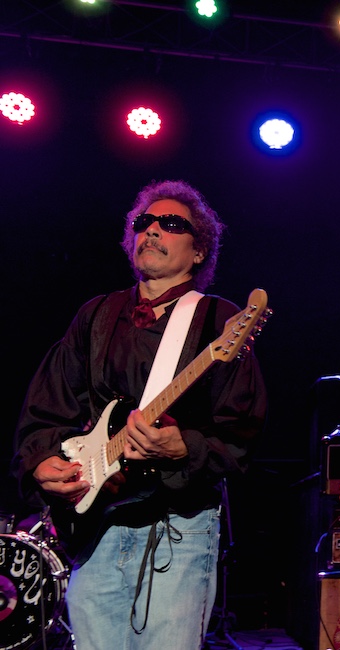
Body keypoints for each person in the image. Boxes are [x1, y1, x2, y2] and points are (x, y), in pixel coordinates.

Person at [11, 179, 268, 650]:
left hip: (179, 528)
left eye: (171, 224)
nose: (152, 230)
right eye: (142, 222)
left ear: (198, 252)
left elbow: (242, 434)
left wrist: (184, 446)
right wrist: (41, 461)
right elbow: (47, 407)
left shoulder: (219, 322)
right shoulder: (95, 315)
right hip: (96, 525)